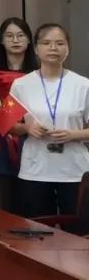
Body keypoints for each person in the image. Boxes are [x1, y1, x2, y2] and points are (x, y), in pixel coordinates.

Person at [12, 24, 89, 218]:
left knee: (78, 230)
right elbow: (9, 126)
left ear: (68, 48)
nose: (53, 48)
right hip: (35, 170)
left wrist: (74, 134)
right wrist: (27, 128)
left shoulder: (83, 85)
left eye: (60, 43)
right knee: (37, 229)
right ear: (36, 48)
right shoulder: (21, 85)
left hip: (75, 171)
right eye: (46, 43)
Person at [0, 18, 37, 212]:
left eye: (20, 35)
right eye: (9, 36)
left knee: (31, 202)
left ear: (29, 40)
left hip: (32, 137)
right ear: (1, 41)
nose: (15, 40)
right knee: (2, 202)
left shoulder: (39, 73)